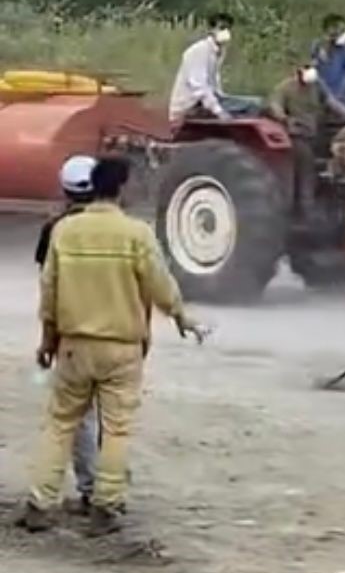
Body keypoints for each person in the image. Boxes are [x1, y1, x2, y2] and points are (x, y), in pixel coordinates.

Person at [19, 154, 207, 537]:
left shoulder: (64, 232)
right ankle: (105, 507)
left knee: (60, 425)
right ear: (121, 188)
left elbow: (49, 292)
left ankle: (40, 504)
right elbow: (160, 283)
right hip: (122, 349)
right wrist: (181, 318)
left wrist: (47, 341)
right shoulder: (136, 233)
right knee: (116, 429)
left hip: (73, 347)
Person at [34, 154, 101, 512]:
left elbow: (49, 291)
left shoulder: (55, 230)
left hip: (75, 337)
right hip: (121, 338)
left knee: (74, 417)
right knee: (115, 417)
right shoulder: (126, 228)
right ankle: (111, 488)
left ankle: (89, 490)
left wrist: (48, 340)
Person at [169, 12, 235, 124]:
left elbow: (214, 84)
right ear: (211, 30)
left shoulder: (217, 52)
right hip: (190, 105)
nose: (225, 32)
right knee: (253, 106)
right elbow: (199, 86)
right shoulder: (199, 51)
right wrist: (219, 111)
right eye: (221, 28)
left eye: (228, 28)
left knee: (255, 104)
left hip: (203, 102)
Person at [310, 14, 345, 116]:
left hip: (340, 97)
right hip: (321, 95)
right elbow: (313, 66)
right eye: (336, 28)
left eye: (342, 29)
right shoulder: (318, 46)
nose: (339, 32)